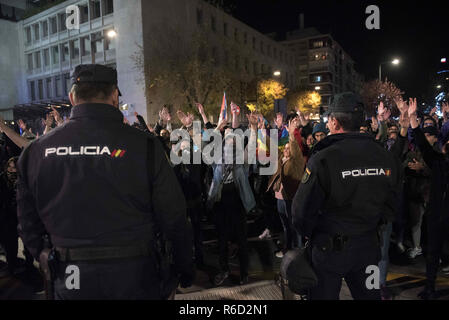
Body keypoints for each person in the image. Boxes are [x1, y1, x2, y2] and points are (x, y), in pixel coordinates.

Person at [16, 64, 194, 300]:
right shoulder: (145, 146)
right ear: (114, 96)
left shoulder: (36, 151)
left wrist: (43, 254)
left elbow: (27, 222)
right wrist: (184, 268)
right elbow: (174, 216)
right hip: (135, 276)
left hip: (70, 277)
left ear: (72, 97)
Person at [292, 92, 401, 300]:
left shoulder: (323, 158)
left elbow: (300, 213)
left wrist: (311, 234)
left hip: (328, 250)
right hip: (368, 247)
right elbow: (393, 202)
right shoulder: (385, 155)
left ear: (333, 122)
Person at [407, 99, 449, 300]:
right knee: (432, 253)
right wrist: (413, 118)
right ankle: (430, 287)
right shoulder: (439, 163)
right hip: (437, 216)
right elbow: (423, 145)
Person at [267, 118, 305, 258]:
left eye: (289, 148)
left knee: (294, 226)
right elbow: (270, 147)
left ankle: (298, 252)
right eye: (285, 148)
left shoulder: (297, 162)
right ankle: (288, 249)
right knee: (285, 227)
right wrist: (258, 129)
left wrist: (291, 135)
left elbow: (295, 149)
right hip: (280, 199)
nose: (287, 150)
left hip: (291, 198)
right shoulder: (280, 159)